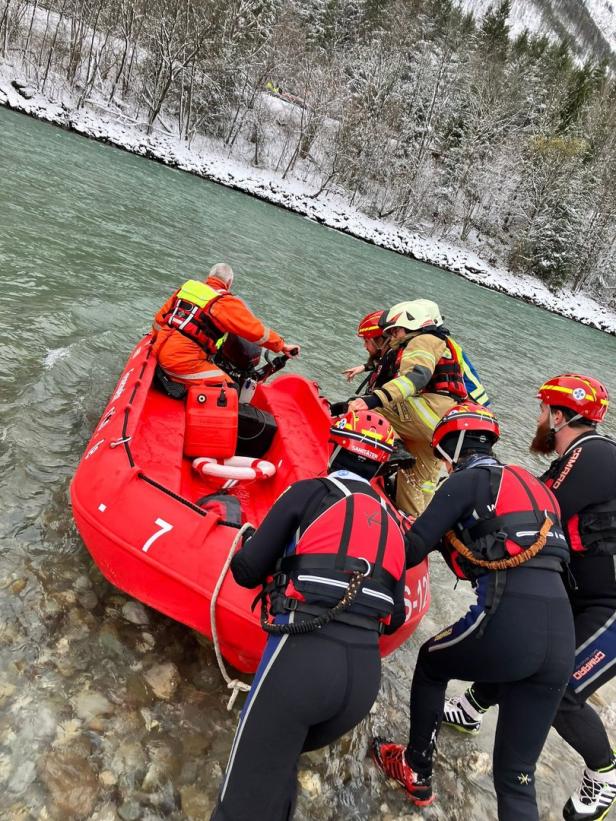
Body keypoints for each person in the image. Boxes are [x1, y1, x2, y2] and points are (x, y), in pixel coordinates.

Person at [371, 402, 574, 820]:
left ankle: (417, 767)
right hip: (561, 638)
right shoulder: (536, 487)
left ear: (450, 447)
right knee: (517, 779)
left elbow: (410, 550)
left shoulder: (466, 479)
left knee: (430, 663)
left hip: (509, 622)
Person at [211, 409, 408, 821]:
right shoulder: (392, 523)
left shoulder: (311, 492)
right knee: (278, 771)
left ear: (334, 448)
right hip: (360, 682)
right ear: (379, 465)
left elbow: (247, 571)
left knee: (241, 802)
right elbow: (394, 615)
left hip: (302, 663)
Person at [443, 374, 616, 821]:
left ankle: (605, 772)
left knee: (558, 692)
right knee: (530, 657)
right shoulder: (575, 459)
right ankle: (470, 708)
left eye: (543, 411)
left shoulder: (593, 454)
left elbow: (534, 511)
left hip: (609, 609)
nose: (538, 419)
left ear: (560, 416)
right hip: (584, 600)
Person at [348, 299, 468, 516]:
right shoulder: (443, 343)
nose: (393, 336)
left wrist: (373, 400)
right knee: (417, 482)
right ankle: (410, 530)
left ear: (410, 325)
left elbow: (417, 377)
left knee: (364, 415)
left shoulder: (421, 341)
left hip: (427, 414)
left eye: (396, 330)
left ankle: (391, 450)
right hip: (443, 426)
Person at [152, 263, 299, 384]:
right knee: (229, 388)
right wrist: (282, 346)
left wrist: (155, 340)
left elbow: (159, 320)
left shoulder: (188, 288)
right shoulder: (224, 302)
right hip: (180, 362)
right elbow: (257, 332)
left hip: (158, 348)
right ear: (229, 283)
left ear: (209, 277)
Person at [342, 310, 388, 391]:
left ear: (380, 341)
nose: (365, 346)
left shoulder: (393, 365)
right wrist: (363, 367)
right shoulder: (388, 357)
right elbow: (380, 363)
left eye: (367, 341)